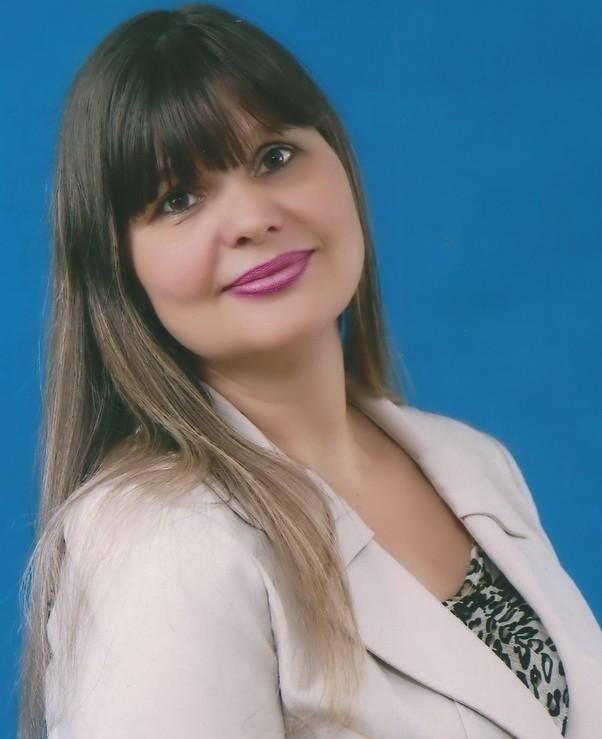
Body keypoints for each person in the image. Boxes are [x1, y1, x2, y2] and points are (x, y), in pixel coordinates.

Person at [18, 4, 601, 738]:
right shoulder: (159, 544)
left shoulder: (474, 462)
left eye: (274, 157)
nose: (251, 218)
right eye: (178, 199)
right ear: (117, 270)